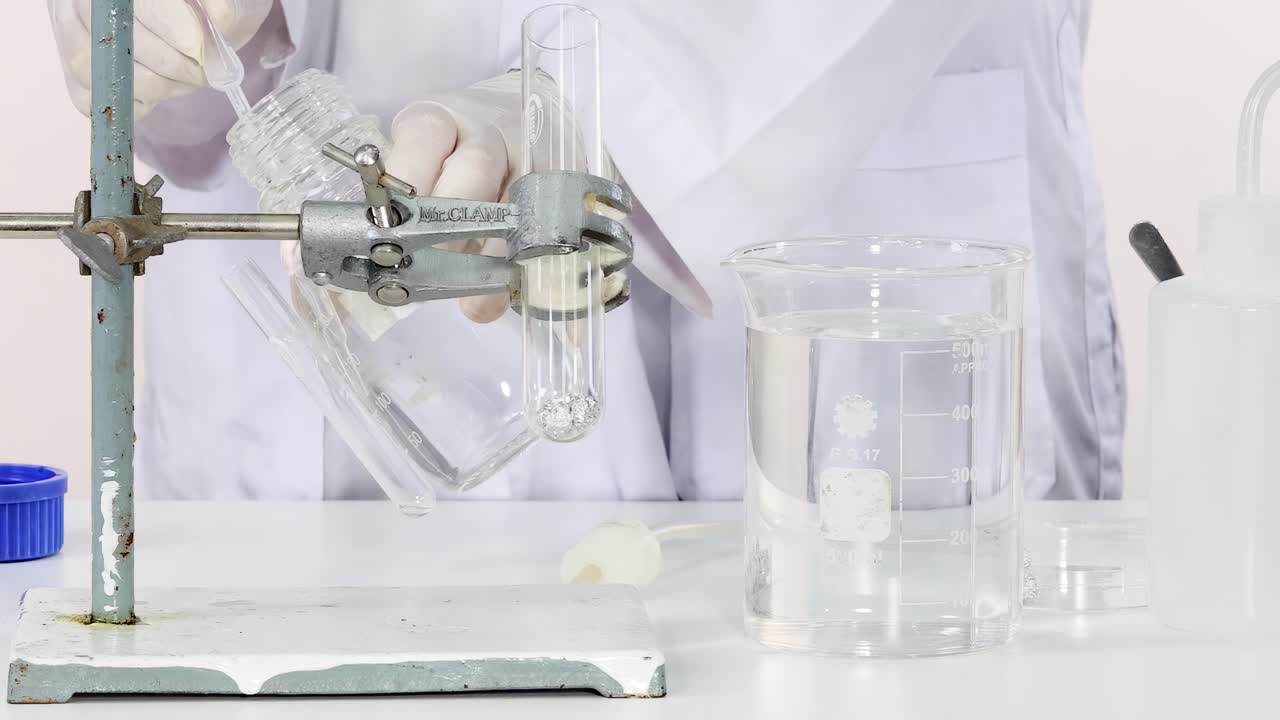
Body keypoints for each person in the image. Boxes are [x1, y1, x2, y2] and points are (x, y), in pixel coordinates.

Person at [47, 0, 1122, 501]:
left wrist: (588, 104)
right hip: (313, 457)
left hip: (825, 184)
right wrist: (184, 37)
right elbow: (197, 81)